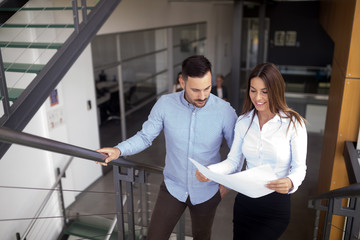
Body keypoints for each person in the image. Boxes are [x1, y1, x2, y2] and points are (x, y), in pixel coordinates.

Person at [97, 55, 238, 240]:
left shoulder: (225, 111)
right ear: (182, 81)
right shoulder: (165, 104)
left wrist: (226, 183)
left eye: (207, 88)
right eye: (196, 90)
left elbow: (238, 152)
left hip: (207, 192)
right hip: (173, 188)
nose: (203, 96)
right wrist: (119, 150)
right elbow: (145, 137)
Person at [196, 62, 307, 240]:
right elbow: (233, 162)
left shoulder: (294, 124)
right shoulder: (243, 122)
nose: (258, 97)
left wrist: (290, 182)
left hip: (275, 206)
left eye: (264, 91)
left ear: (276, 90)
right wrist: (210, 171)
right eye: (253, 90)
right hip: (245, 204)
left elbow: (300, 168)